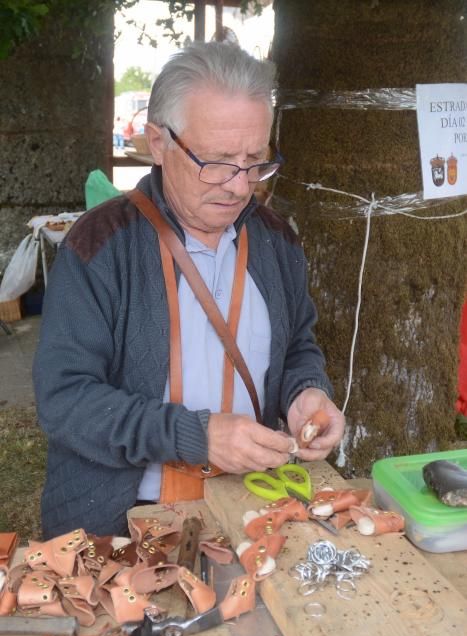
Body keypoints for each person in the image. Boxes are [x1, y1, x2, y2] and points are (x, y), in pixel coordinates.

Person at [33, 41, 345, 538]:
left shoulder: (275, 239)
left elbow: (298, 348)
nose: (240, 187)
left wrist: (305, 394)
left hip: (250, 505)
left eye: (255, 160)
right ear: (158, 143)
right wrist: (195, 436)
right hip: (121, 520)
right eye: (218, 161)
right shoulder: (100, 245)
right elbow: (65, 400)